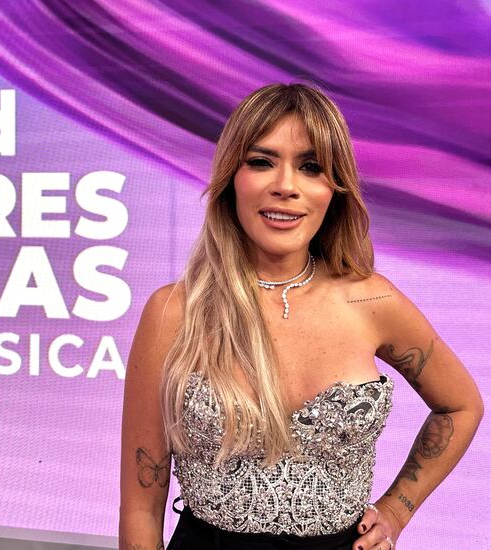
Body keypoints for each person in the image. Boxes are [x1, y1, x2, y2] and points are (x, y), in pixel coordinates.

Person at [118, 83, 484, 550]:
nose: (285, 186)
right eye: (261, 161)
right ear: (232, 176)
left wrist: (396, 510)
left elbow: (461, 405)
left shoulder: (371, 302)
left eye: (311, 167)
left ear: (335, 188)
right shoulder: (173, 313)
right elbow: (141, 507)